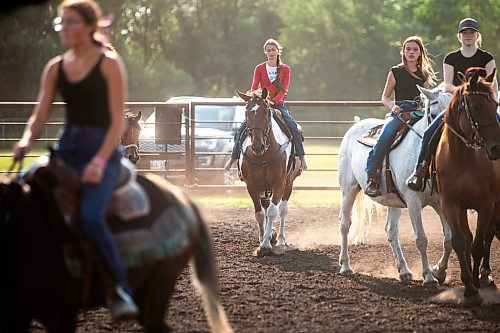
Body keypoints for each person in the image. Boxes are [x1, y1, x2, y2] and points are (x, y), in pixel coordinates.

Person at [12, 0, 138, 321]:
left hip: (104, 151)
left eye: (70, 22)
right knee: (16, 197)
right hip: (67, 150)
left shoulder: (109, 64)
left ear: (89, 26)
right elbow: (39, 117)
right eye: (60, 23)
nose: (63, 29)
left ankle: (119, 288)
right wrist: (26, 141)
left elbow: (116, 122)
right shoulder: (56, 67)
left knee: (91, 216)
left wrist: (99, 161)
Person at [406, 18, 498, 191]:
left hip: (483, 105)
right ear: (459, 36)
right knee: (430, 131)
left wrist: (494, 102)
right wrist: (464, 93)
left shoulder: (487, 58)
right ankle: (420, 171)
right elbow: (447, 84)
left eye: (471, 33)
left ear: (477, 36)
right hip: (459, 105)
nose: (468, 36)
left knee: (497, 125)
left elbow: (493, 83)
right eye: (465, 33)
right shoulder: (451, 58)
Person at [365, 36, 436, 197]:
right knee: (383, 138)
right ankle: (372, 178)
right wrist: (393, 106)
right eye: (408, 49)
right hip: (400, 112)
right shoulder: (395, 71)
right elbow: (385, 97)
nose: (411, 52)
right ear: (403, 52)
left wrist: (424, 104)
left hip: (418, 112)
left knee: (436, 134)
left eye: (415, 49)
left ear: (420, 53)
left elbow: (427, 97)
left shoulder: (424, 75)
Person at [225, 38, 308, 171]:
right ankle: (233, 157)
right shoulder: (259, 68)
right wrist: (258, 99)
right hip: (261, 104)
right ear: (265, 52)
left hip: (278, 104)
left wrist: (273, 102)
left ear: (278, 51)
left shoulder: (285, 69)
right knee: (241, 129)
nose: (271, 52)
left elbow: (283, 90)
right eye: (268, 50)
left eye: (273, 50)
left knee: (293, 126)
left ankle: (301, 156)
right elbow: (253, 87)